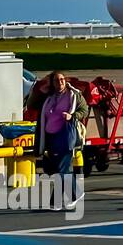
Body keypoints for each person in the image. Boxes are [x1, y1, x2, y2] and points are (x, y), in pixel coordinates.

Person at [39, 71, 87, 207]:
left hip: (66, 135)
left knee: (61, 168)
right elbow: (31, 103)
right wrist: (42, 89)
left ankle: (70, 196)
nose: (60, 82)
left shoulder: (73, 95)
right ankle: (62, 199)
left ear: (65, 81)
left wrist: (72, 116)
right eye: (56, 80)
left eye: (61, 80)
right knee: (59, 169)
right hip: (51, 137)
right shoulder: (49, 97)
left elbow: (85, 110)